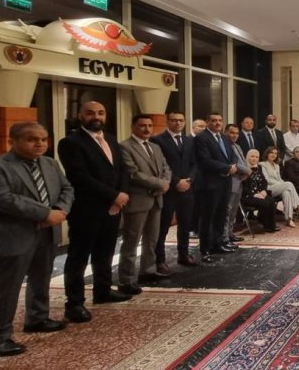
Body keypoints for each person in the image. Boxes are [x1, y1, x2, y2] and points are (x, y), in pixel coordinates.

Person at [0, 122, 73, 357]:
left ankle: (37, 318)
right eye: (32, 139)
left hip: (46, 232)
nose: (40, 143)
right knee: (6, 287)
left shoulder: (50, 163)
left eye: (43, 139)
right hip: (13, 234)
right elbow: (3, 199)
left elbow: (67, 188)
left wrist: (60, 210)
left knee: (41, 277)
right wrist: (45, 213)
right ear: (13, 141)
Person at [58, 101, 132, 323]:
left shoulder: (110, 139)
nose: (96, 117)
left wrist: (123, 193)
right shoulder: (71, 142)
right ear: (80, 115)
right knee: (79, 257)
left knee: (105, 252)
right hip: (86, 209)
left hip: (113, 207)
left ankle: (103, 291)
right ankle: (74, 303)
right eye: (90, 113)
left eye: (100, 112)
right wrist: (113, 195)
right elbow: (79, 176)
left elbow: (122, 169)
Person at [117, 115, 171, 295]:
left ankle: (148, 270)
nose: (147, 129)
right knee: (131, 242)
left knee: (152, 239)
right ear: (133, 126)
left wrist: (165, 182)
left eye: (149, 125)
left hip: (156, 199)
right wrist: (159, 184)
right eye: (142, 125)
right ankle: (126, 279)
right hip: (138, 200)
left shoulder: (155, 147)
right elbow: (133, 173)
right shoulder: (125, 147)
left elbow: (166, 168)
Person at [151, 111, 198, 268]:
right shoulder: (157, 140)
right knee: (163, 227)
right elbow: (160, 165)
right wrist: (176, 181)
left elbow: (194, 163)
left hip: (187, 189)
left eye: (181, 120)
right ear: (167, 121)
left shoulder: (189, 141)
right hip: (168, 190)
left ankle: (183, 255)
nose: (178, 123)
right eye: (174, 120)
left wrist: (189, 180)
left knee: (185, 225)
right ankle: (160, 260)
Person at [193, 113, 239, 264]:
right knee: (208, 217)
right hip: (210, 184)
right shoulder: (201, 138)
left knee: (221, 214)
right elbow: (204, 160)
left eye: (220, 120)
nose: (218, 123)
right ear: (208, 122)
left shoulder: (224, 137)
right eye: (214, 121)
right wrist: (226, 168)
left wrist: (233, 165)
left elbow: (232, 155)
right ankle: (205, 249)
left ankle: (218, 244)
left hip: (225, 182)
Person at [260, 146, 299, 228]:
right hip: (268, 188)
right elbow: (266, 180)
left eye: (275, 153)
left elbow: (280, 179)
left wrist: (282, 184)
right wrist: (282, 184)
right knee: (288, 184)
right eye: (271, 153)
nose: (273, 155)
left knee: (286, 193)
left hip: (278, 187)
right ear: (267, 154)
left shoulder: (276, 165)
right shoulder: (262, 165)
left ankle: (289, 219)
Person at [224, 124, 252, 245]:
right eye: (232, 133)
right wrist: (247, 171)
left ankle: (230, 234)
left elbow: (243, 161)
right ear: (225, 132)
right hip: (231, 181)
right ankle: (224, 237)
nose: (234, 135)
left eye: (236, 133)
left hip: (240, 180)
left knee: (234, 210)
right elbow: (233, 163)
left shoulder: (237, 145)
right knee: (227, 209)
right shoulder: (225, 145)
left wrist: (246, 171)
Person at [240, 149, 281, 232]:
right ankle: (265, 223)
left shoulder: (259, 167)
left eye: (256, 157)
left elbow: (264, 181)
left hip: (259, 193)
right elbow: (242, 186)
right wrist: (254, 194)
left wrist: (263, 191)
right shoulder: (244, 169)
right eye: (252, 156)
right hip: (247, 195)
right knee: (264, 203)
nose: (254, 159)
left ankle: (270, 225)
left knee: (271, 201)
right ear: (247, 157)